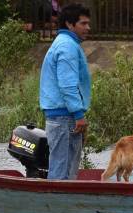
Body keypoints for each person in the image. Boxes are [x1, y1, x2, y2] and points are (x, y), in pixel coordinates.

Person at [39, 3, 91, 180]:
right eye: (83, 24)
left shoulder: (65, 43)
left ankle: (59, 205)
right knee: (63, 174)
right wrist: (78, 114)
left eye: (87, 23)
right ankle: (57, 206)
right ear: (70, 24)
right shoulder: (67, 47)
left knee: (64, 170)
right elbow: (67, 84)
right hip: (64, 117)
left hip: (62, 116)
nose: (87, 28)